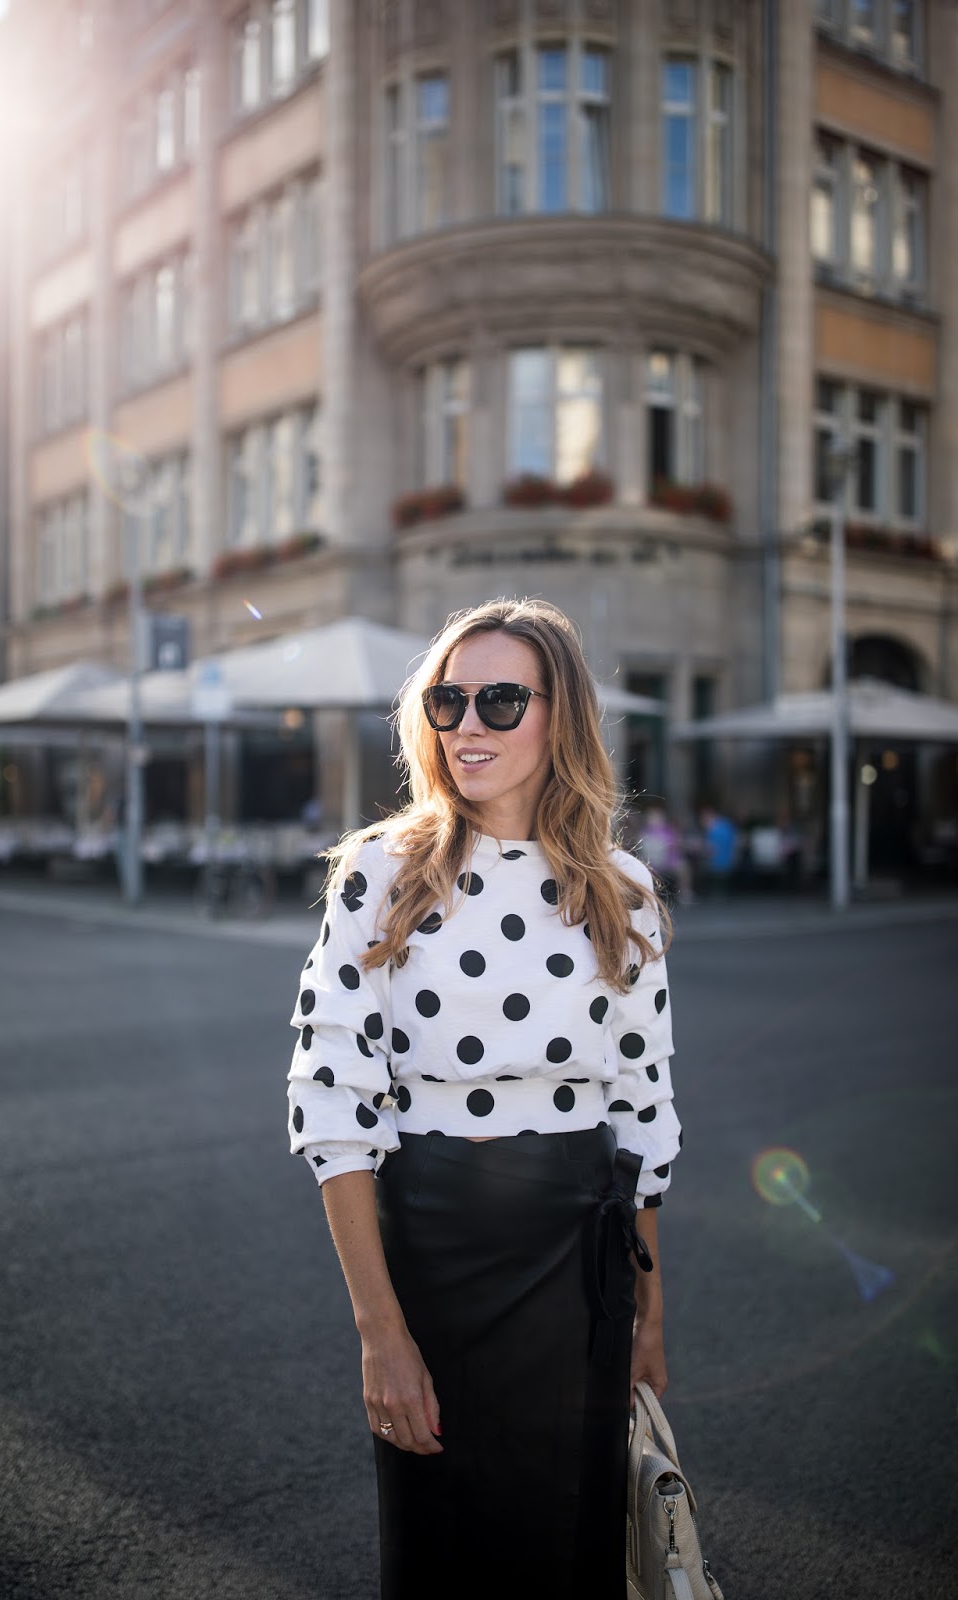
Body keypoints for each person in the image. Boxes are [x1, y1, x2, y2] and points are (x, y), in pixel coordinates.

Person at [287, 599, 681, 1599]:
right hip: (437, 1244)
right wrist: (379, 1332)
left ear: (560, 717)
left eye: (501, 700)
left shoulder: (622, 891)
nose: (467, 724)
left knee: (571, 1542)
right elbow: (333, 1102)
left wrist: (649, 1305)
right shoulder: (380, 872)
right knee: (442, 1549)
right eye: (447, 700)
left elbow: (642, 1108)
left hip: (583, 1258)